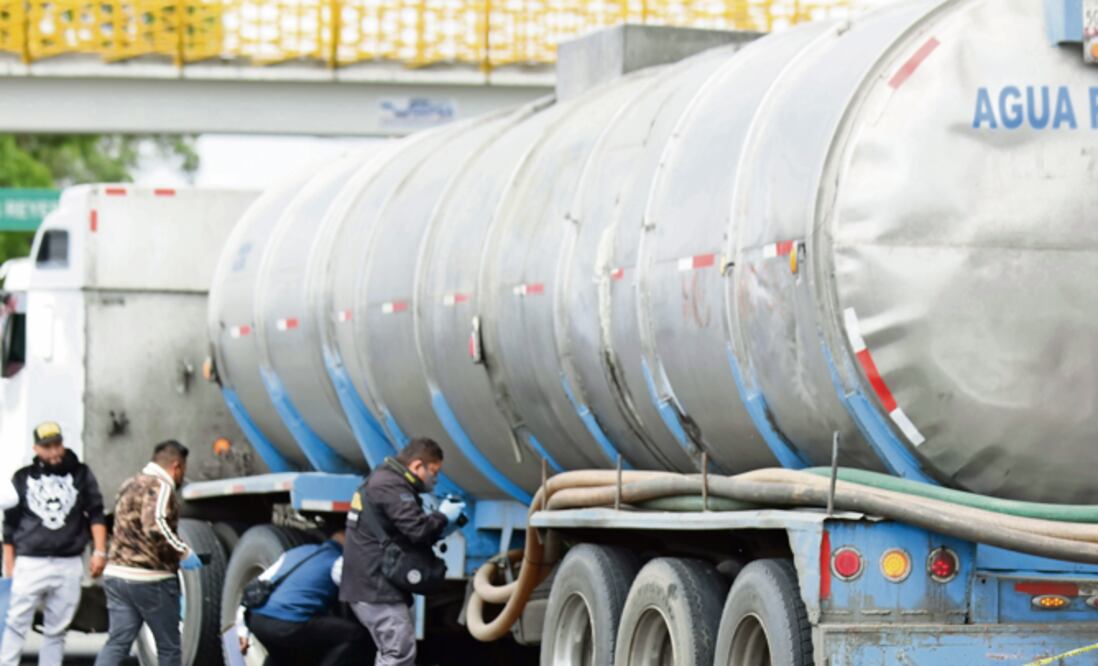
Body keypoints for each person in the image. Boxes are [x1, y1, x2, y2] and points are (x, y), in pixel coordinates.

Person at [340, 438, 465, 666]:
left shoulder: (385, 479)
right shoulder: (390, 485)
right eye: (434, 472)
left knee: (396, 651)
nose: (435, 479)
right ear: (417, 466)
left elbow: (404, 532)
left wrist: (443, 526)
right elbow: (417, 529)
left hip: (372, 582)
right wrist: (443, 516)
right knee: (398, 653)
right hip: (375, 585)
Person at [0, 421, 107, 666]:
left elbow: (96, 512)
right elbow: (10, 525)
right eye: (47, 447)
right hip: (30, 561)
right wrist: (10, 566)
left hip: (68, 560)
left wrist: (99, 551)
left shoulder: (80, 473)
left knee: (57, 628)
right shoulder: (24, 477)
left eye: (57, 445)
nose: (54, 451)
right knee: (16, 622)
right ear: (36, 448)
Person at [94, 440, 203, 666]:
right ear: (176, 466)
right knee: (168, 646)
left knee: (117, 643)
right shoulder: (161, 486)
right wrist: (184, 552)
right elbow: (156, 526)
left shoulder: (128, 484)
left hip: (116, 576)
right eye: (183, 469)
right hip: (150, 579)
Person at [238, 521, 374, 666]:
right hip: (287, 624)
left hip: (257, 620)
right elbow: (360, 598)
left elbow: (254, 587)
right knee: (353, 634)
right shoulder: (338, 561)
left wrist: (242, 631)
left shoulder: (298, 551)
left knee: (283, 658)